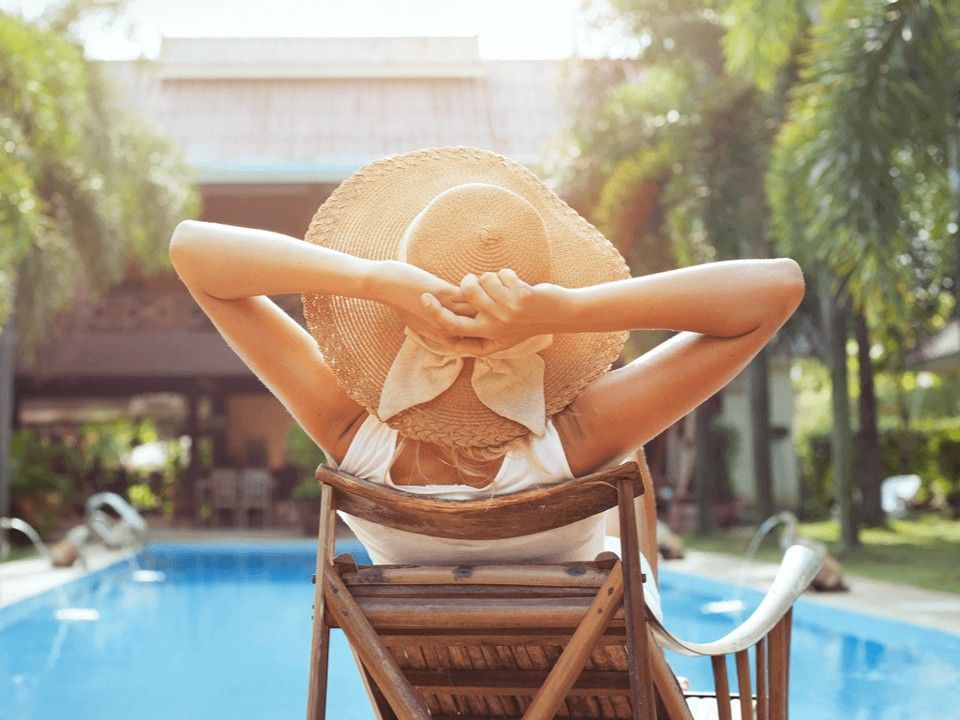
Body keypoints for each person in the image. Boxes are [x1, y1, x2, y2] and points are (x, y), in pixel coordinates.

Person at [170, 147, 804, 617]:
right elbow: (776, 288)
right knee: (628, 486)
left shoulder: (350, 434)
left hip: (423, 695)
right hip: (594, 685)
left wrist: (374, 280)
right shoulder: (578, 439)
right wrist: (568, 310)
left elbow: (192, 249)